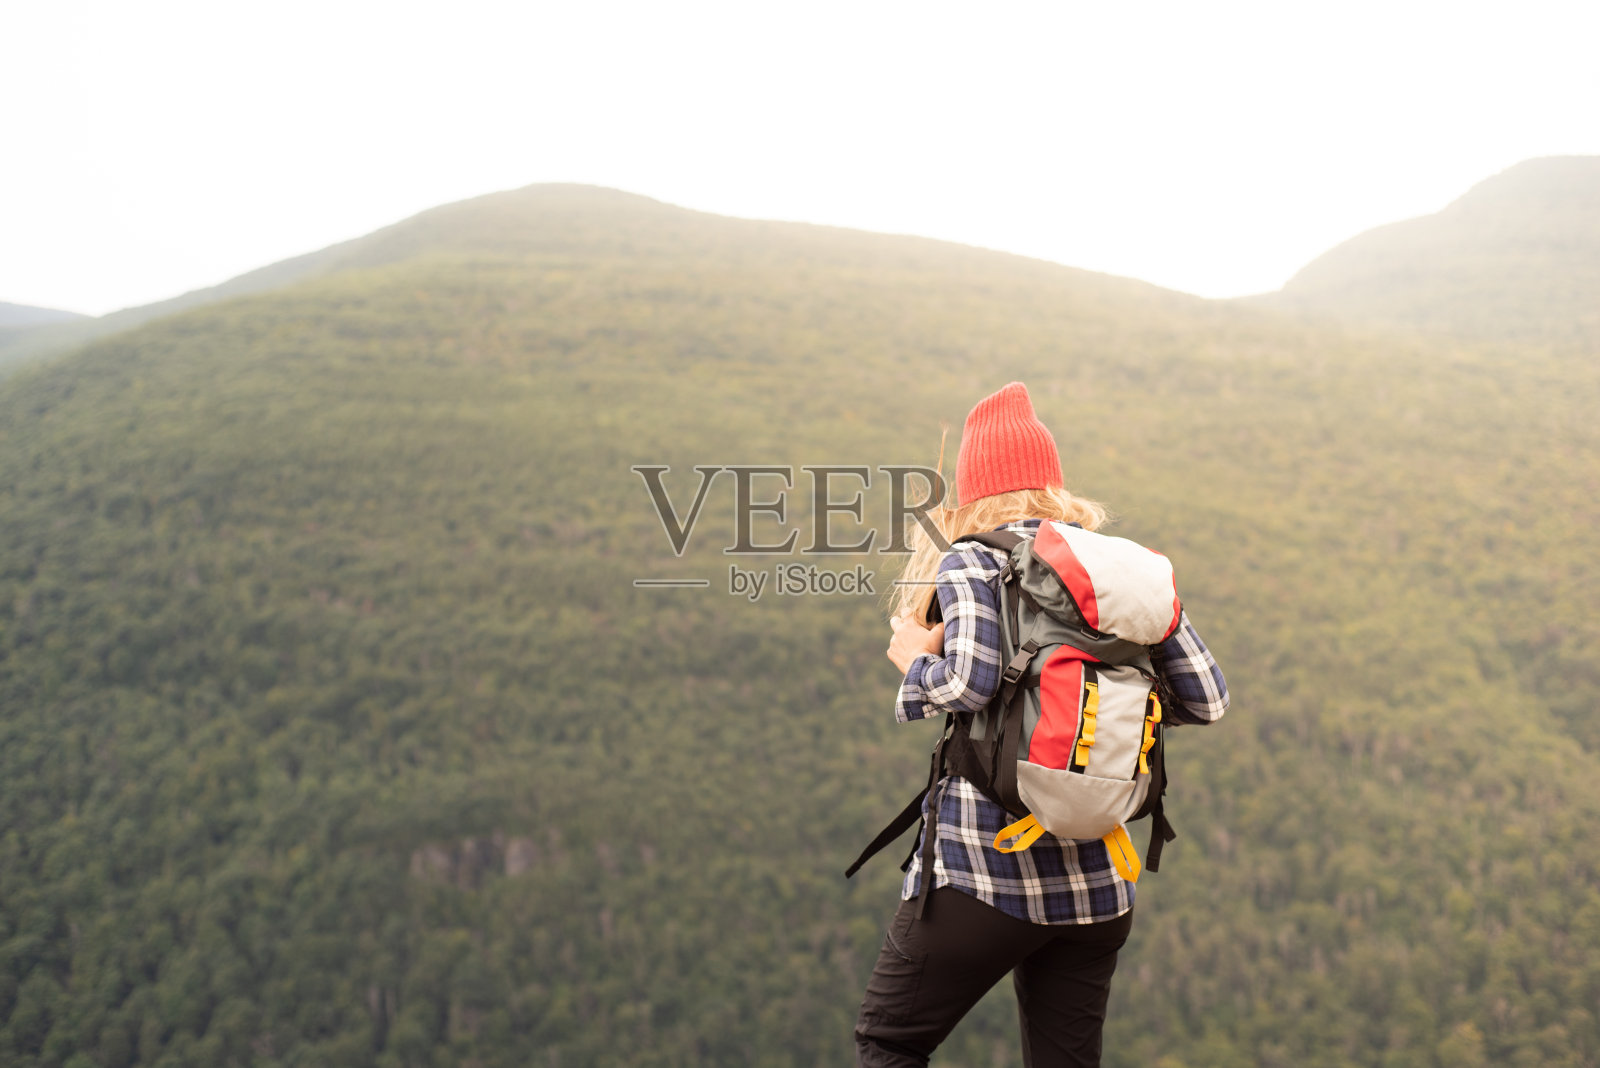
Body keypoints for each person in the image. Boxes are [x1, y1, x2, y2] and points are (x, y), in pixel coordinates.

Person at [854, 381, 1229, 1067]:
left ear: (974, 491)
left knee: (888, 1042)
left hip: (984, 875)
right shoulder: (1120, 569)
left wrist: (913, 662)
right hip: (1099, 887)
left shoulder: (973, 556)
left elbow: (970, 682)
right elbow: (1207, 698)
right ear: (1052, 485)